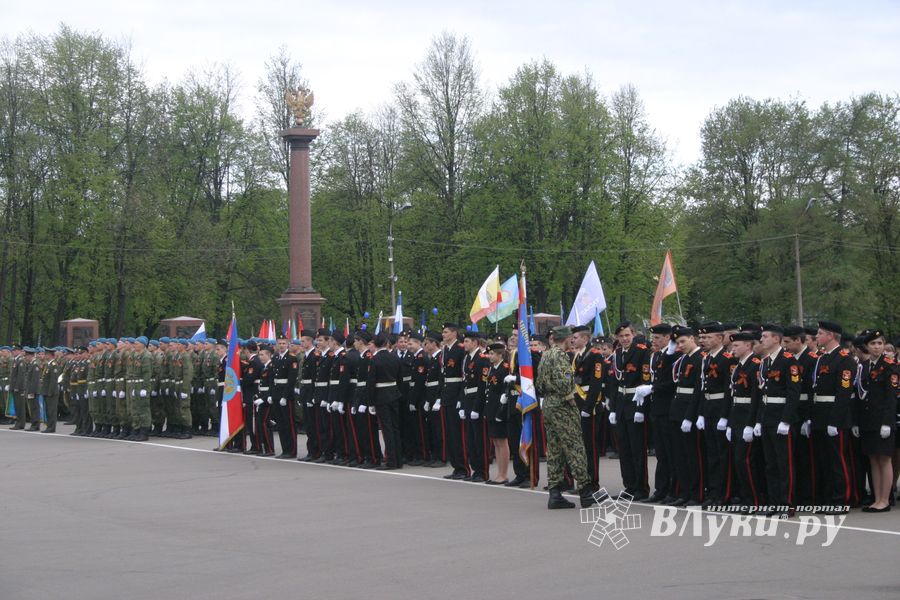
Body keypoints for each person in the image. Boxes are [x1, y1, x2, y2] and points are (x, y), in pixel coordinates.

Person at [536, 326, 596, 509]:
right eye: (571, 337)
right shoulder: (561, 356)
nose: (572, 340)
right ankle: (586, 491)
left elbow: (539, 383)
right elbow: (564, 384)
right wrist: (569, 397)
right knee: (574, 446)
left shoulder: (546, 355)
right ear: (566, 338)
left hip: (549, 404)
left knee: (554, 449)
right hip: (563, 405)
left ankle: (554, 492)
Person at [811, 321, 857, 512]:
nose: (817, 337)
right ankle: (828, 496)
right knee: (824, 458)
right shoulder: (822, 358)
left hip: (834, 415)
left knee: (837, 459)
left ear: (830, 336)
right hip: (820, 413)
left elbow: (844, 393)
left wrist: (835, 421)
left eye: (820, 334)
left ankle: (841, 499)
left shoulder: (844, 358)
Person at [755, 324, 800, 517]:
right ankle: (774, 502)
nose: (762, 339)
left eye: (765, 336)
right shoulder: (764, 362)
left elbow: (794, 393)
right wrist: (758, 420)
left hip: (781, 417)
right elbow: (761, 394)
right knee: (770, 464)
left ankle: (786, 503)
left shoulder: (788, 361)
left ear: (776, 339)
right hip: (767, 416)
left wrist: (786, 420)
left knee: (784, 463)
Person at [856, 329, 897, 512]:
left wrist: (887, 423)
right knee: (873, 459)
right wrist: (857, 421)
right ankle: (877, 497)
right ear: (867, 346)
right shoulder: (864, 367)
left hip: (882, 420)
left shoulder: (890, 366)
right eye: (873, 344)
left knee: (885, 458)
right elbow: (859, 396)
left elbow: (891, 397)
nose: (876, 347)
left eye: (880, 343)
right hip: (868, 420)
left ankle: (885, 500)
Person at [610, 322, 652, 501]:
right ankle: (629, 486)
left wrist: (641, 409)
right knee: (624, 448)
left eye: (627, 335)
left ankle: (641, 488)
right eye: (621, 336)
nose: (624, 339)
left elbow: (645, 380)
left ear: (633, 334)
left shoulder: (642, 351)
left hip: (636, 401)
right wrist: (613, 408)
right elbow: (615, 382)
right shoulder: (618, 353)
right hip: (621, 402)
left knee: (637, 448)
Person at [642, 323, 680, 503]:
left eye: (657, 338)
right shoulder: (656, 355)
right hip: (656, 408)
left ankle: (673, 490)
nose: (654, 341)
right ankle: (661, 490)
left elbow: (672, 382)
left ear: (667, 338)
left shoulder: (675, 355)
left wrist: (652, 388)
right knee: (661, 452)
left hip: (668, 408)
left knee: (671, 452)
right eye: (653, 338)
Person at [669, 327, 704, 506]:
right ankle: (685, 491)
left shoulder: (700, 358)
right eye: (677, 343)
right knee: (680, 455)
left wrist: (690, 416)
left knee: (692, 456)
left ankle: (697, 493)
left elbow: (698, 390)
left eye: (683, 341)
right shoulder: (683, 359)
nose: (680, 345)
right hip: (678, 409)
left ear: (692, 339)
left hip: (689, 410)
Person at [728, 331, 763, 512]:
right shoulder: (739, 365)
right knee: (738, 461)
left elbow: (755, 398)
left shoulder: (755, 365)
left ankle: (754, 500)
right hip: (737, 417)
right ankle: (746, 497)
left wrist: (751, 424)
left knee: (746, 461)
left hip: (747, 417)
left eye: (736, 345)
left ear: (748, 346)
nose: (733, 349)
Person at [367, 333, 402, 470]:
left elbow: (371, 383)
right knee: (395, 428)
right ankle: (398, 460)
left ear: (375, 344)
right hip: (394, 394)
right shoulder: (395, 357)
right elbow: (399, 378)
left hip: (381, 396)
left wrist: (370, 402)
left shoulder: (375, 360)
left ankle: (391, 461)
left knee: (387, 429)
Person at [440, 323, 469, 480]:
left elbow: (463, 375)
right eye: (443, 332)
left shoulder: (460, 349)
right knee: (450, 433)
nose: (443, 335)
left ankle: (463, 467)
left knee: (458, 434)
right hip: (446, 393)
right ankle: (456, 466)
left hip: (456, 392)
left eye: (446, 332)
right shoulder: (445, 350)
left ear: (454, 333)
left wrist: (460, 398)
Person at [484, 342, 510, 484]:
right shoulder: (492, 368)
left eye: (492, 353)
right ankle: (499, 473)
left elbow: (503, 390)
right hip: (491, 408)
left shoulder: (504, 369)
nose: (490, 356)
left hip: (500, 409)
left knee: (502, 441)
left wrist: (501, 409)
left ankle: (503, 474)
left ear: (500, 354)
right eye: (489, 353)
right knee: (495, 441)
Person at [271, 334, 299, 458]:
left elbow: (292, 379)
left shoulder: (292, 358)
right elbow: (273, 378)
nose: (281, 346)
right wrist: (272, 394)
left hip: (286, 394)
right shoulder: (276, 357)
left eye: (284, 343)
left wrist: (285, 396)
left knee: (289, 423)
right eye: (279, 343)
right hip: (276, 393)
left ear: (287, 344)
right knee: (281, 423)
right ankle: (285, 450)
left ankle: (292, 450)